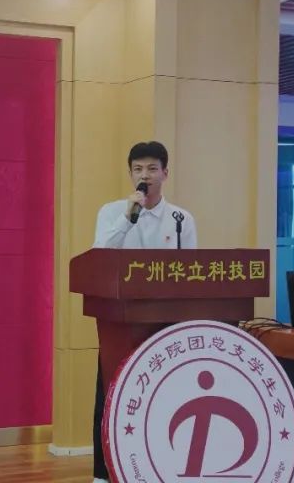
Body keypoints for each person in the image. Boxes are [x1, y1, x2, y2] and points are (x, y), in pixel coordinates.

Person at [89, 141, 197, 483]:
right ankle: (103, 474)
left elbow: (192, 272)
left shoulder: (181, 219)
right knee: (111, 396)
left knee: (161, 398)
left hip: (164, 324)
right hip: (120, 323)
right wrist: (127, 217)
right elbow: (98, 259)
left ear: (165, 173)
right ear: (130, 174)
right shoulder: (111, 213)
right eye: (138, 169)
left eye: (152, 169)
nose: (144, 175)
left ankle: (158, 468)